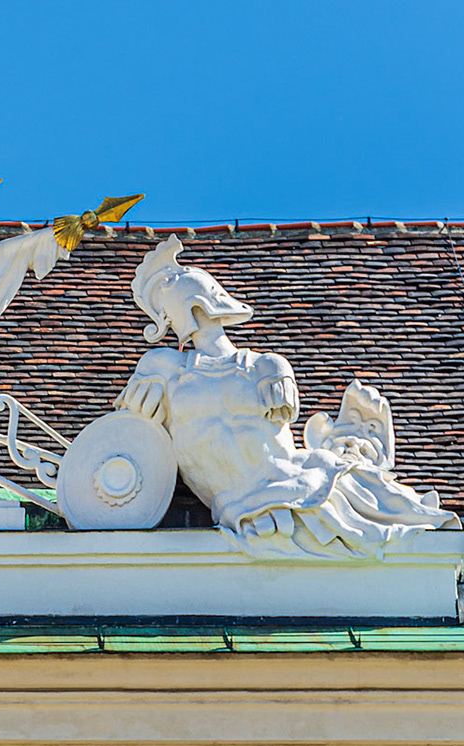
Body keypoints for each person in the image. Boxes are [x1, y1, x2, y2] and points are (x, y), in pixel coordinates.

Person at [116, 236, 457, 557]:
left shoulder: (264, 366)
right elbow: (130, 432)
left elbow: (283, 414)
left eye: (164, 302)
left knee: (364, 498)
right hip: (238, 505)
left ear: (191, 303)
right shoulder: (166, 369)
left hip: (292, 484)